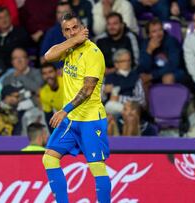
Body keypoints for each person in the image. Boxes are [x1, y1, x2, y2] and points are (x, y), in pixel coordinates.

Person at [43, 13, 111, 202]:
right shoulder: (69, 49)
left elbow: (88, 89)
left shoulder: (93, 53)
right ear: (63, 33)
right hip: (72, 120)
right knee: (49, 159)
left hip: (90, 119)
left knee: (96, 166)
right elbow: (48, 56)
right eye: (68, 30)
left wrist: (65, 110)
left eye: (75, 28)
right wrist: (72, 41)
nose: (72, 32)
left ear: (83, 29)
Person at [2, 47, 45, 135]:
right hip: (13, 110)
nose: (19, 61)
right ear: (12, 62)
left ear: (27, 60)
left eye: (22, 57)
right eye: (15, 58)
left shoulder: (37, 73)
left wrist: (22, 76)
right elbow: (4, 97)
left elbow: (38, 89)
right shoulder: (7, 78)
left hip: (33, 109)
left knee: (27, 117)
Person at [138, 18, 185, 95]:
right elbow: (143, 67)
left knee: (167, 78)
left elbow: (173, 65)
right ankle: (149, 107)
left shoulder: (171, 41)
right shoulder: (145, 44)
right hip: (155, 74)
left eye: (160, 30)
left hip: (174, 72)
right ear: (149, 34)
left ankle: (168, 106)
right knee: (142, 79)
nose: (158, 34)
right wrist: (149, 51)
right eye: (154, 31)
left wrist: (152, 76)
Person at [0, 7, 30, 78]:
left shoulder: (20, 32)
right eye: (0, 18)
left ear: (10, 17)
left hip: (14, 69)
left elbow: (17, 51)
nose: (4, 20)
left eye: (6, 16)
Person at [103, 49, 144, 115]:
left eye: (129, 60)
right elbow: (99, 99)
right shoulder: (109, 78)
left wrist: (120, 98)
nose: (127, 63)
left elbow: (141, 100)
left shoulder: (136, 77)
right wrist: (104, 92)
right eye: (124, 61)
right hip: (109, 109)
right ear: (116, 64)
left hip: (130, 109)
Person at [39, 1, 72, 68]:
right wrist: (55, 69)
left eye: (65, 12)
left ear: (71, 13)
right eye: (59, 12)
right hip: (57, 74)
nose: (62, 15)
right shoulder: (51, 33)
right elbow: (43, 59)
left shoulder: (80, 30)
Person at [39, 63, 63, 132]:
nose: (48, 76)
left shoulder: (66, 81)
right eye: (44, 73)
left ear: (56, 72)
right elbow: (48, 116)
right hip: (64, 118)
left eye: (50, 72)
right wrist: (53, 135)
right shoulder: (43, 92)